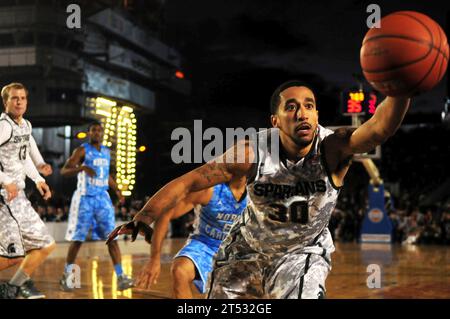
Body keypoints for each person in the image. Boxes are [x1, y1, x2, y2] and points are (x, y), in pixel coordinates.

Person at [108, 80, 411, 298]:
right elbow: (190, 181)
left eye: (309, 106)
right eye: (291, 107)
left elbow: (378, 129)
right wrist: (145, 216)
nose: (302, 113)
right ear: (275, 121)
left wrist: (401, 88)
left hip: (301, 253)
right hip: (245, 251)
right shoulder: (251, 152)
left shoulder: (333, 147)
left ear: (317, 116)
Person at [135, 178, 247, 298]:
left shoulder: (257, 192)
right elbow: (166, 212)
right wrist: (154, 258)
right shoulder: (209, 189)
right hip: (205, 244)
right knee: (180, 270)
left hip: (239, 248)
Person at [59, 122, 133, 291]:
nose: (97, 133)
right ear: (89, 133)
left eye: (99, 130)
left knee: (112, 238)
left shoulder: (107, 152)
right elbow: (64, 171)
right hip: (85, 199)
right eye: (94, 130)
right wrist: (82, 167)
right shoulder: (82, 150)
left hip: (102, 199)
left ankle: (121, 277)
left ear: (102, 133)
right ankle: (67, 276)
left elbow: (107, 176)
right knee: (77, 240)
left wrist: (118, 191)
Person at [0, 82, 55, 299]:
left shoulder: (24, 125)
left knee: (45, 245)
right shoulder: (3, 126)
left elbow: (25, 159)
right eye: (14, 98)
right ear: (6, 102)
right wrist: (5, 180)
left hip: (18, 197)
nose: (19, 101)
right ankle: (14, 287)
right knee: (15, 254)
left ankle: (13, 287)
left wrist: (39, 178)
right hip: (5, 197)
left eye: (22, 98)